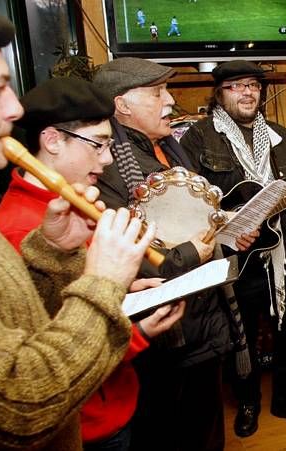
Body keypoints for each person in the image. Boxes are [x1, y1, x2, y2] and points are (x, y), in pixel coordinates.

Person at [0, 3, 157, 449]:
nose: (14, 109)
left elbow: (24, 328)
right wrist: (102, 284)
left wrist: (53, 254)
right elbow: (20, 408)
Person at [0, 77, 186, 451]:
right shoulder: (19, 229)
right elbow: (49, 361)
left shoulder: (71, 205)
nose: (108, 158)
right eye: (99, 144)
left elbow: (77, 297)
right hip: (86, 427)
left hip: (116, 403)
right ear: (51, 141)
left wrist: (128, 293)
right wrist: (139, 332)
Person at [179, 60, 286, 437]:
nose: (248, 92)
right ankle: (248, 402)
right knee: (241, 333)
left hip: (279, 253)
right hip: (231, 258)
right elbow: (191, 203)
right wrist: (228, 230)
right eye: (237, 86)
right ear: (220, 93)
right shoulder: (198, 138)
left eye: (254, 86)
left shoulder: (282, 138)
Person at [93, 57, 244, 451]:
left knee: (207, 431)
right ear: (121, 105)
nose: (169, 101)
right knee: (168, 434)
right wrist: (192, 252)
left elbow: (196, 215)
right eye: (157, 92)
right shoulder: (110, 171)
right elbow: (134, 257)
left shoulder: (173, 150)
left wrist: (229, 225)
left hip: (205, 323)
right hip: (165, 335)